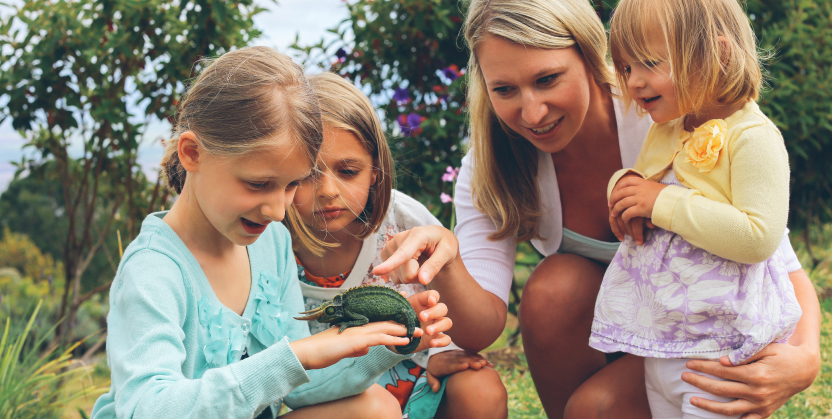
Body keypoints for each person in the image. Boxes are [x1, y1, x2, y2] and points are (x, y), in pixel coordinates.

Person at [371, 0, 821, 418]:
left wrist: (804, 359)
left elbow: (770, 246)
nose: (531, 112)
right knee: (556, 293)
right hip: (619, 330)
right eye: (505, 89)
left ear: (589, 56)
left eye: (547, 79)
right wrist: (445, 260)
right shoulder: (492, 165)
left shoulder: (661, 113)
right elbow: (483, 324)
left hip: (695, 332)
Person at [90, 47, 452, 419]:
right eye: (259, 183)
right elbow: (147, 408)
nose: (278, 210)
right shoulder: (153, 271)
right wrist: (294, 356)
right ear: (192, 153)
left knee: (375, 408)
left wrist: (386, 339)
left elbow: (299, 386)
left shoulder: (272, 244)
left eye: (293, 184)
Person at [588, 0, 802, 417]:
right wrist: (625, 189)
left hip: (722, 347)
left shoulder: (753, 137)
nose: (633, 82)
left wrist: (663, 202)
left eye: (648, 63)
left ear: (717, 54)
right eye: (627, 67)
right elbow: (648, 181)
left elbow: (759, 237)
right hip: (664, 339)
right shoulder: (667, 128)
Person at [285, 72, 508, 419]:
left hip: (418, 385)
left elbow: (461, 320)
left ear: (375, 169)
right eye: (307, 173)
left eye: (348, 171)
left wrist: (439, 349)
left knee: (480, 390)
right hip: (337, 403)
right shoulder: (269, 243)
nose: (327, 190)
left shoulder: (403, 219)